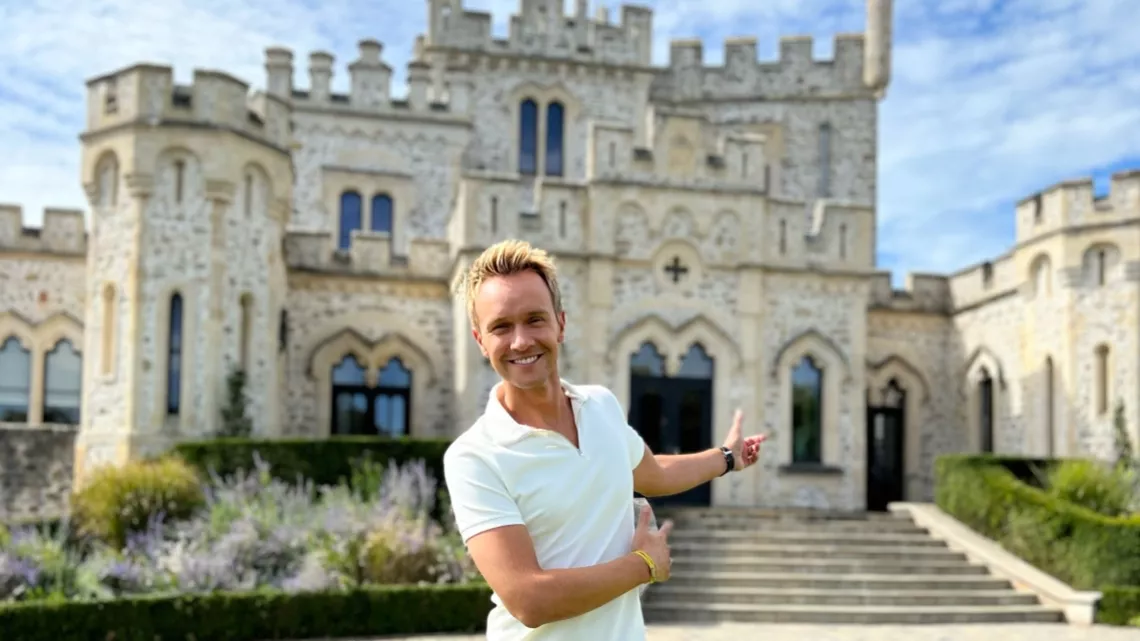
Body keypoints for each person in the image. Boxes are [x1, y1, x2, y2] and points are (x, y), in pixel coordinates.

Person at [443, 239, 767, 640]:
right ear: (480, 340)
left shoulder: (600, 405)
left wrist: (727, 458)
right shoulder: (474, 456)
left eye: (534, 319)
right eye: (501, 327)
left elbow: (653, 473)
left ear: (561, 324)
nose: (521, 340)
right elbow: (528, 599)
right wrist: (644, 564)